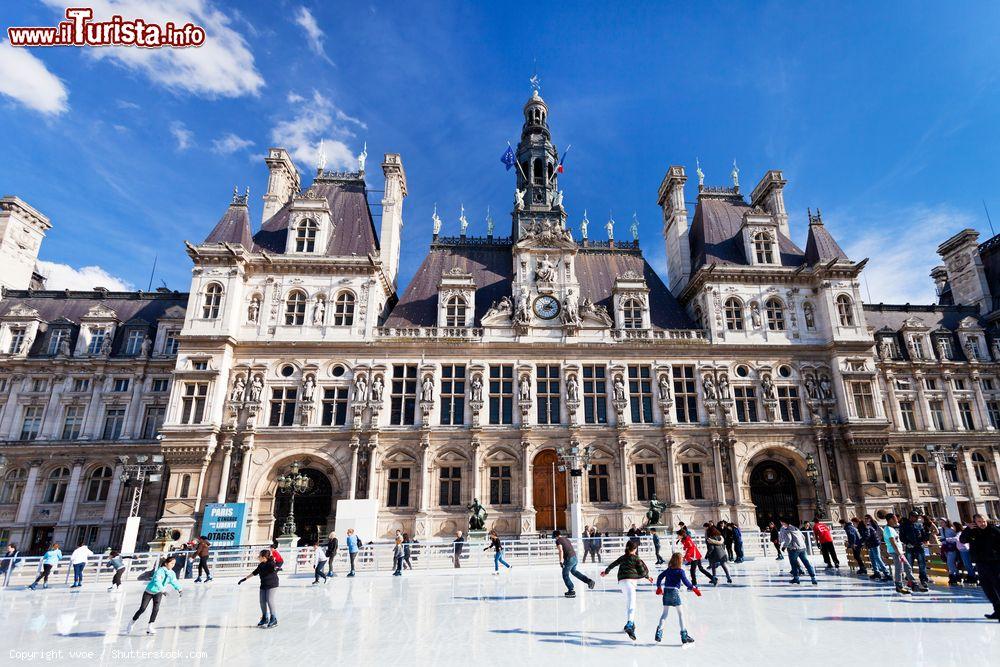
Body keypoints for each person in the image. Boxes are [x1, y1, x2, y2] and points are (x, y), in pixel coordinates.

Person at [600, 539, 653, 641]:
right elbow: (642, 572)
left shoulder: (623, 557)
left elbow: (612, 564)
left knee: (629, 603)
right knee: (632, 603)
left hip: (621, 582)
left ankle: (631, 623)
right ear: (635, 549)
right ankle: (629, 624)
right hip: (630, 582)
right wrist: (646, 576)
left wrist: (606, 572)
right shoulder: (636, 558)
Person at [125, 555, 182, 635]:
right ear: (166, 563)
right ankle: (132, 622)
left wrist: (179, 589)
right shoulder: (159, 571)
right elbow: (157, 581)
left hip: (158, 593)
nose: (173, 565)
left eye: (174, 564)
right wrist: (163, 590)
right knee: (142, 608)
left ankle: (150, 626)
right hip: (149, 592)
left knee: (156, 609)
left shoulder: (172, 573)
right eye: (171, 563)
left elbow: (174, 581)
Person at [960, 514, 1000, 621]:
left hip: (995, 563)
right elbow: (962, 540)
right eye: (979, 522)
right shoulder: (972, 531)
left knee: (998, 587)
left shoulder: (993, 530)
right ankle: (997, 610)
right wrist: (968, 530)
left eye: (983, 521)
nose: (982, 524)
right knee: (988, 589)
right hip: (981, 563)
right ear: (975, 522)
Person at [654, 552, 699, 644]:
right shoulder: (680, 571)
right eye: (682, 558)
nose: (683, 559)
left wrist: (659, 587)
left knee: (664, 614)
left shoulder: (669, 570)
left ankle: (659, 633)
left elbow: (659, 577)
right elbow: (686, 582)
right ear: (679, 560)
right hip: (674, 592)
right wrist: (693, 588)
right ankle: (684, 635)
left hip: (666, 592)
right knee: (681, 614)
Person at [239, 549, 280, 628]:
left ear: (264, 557)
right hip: (264, 585)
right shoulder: (261, 565)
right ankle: (265, 617)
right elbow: (254, 572)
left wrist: (277, 568)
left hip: (272, 584)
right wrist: (245, 579)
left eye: (259, 556)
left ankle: (273, 618)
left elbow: (274, 566)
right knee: (262, 601)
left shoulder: (271, 563)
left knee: (270, 600)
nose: (258, 557)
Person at [883, 513, 921, 594]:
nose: (897, 519)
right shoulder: (888, 529)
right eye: (895, 518)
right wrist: (899, 553)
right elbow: (893, 542)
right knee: (899, 569)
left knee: (907, 567)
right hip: (896, 552)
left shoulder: (892, 528)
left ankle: (913, 583)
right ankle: (899, 586)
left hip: (899, 552)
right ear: (891, 519)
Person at [554, 529, 593, 596]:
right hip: (574, 558)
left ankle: (571, 590)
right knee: (574, 572)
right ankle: (589, 581)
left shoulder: (558, 540)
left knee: (565, 575)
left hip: (569, 559)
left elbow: (560, 550)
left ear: (555, 536)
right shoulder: (566, 539)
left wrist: (561, 561)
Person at [779, 518, 817, 585]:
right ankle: (813, 577)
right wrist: (801, 544)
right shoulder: (796, 528)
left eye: (781, 523)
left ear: (784, 523)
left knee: (793, 563)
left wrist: (784, 546)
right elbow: (803, 537)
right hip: (802, 548)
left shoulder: (787, 529)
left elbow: (789, 538)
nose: (781, 524)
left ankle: (796, 578)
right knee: (806, 562)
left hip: (793, 549)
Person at [899, 511, 930, 587]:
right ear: (910, 517)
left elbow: (923, 535)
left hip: (919, 546)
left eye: (917, 517)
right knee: (909, 564)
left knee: (922, 564)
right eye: (915, 517)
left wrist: (926, 535)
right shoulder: (904, 525)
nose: (916, 518)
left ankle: (923, 579)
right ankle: (910, 579)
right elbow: (901, 536)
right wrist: (907, 543)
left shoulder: (919, 525)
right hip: (910, 547)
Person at [862, 515, 891, 580]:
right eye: (864, 519)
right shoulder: (867, 526)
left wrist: (861, 542)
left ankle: (887, 573)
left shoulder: (870, 526)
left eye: (867, 519)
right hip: (871, 544)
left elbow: (867, 535)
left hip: (874, 544)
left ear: (869, 519)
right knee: (872, 558)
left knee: (877, 558)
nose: (865, 520)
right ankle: (876, 572)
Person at [938, 518, 960, 585]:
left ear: (946, 522)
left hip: (951, 548)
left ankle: (953, 576)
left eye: (942, 522)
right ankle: (955, 576)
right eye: (940, 522)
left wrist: (947, 540)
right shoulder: (941, 530)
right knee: (950, 562)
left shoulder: (951, 530)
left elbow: (955, 538)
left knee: (950, 562)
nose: (941, 524)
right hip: (945, 548)